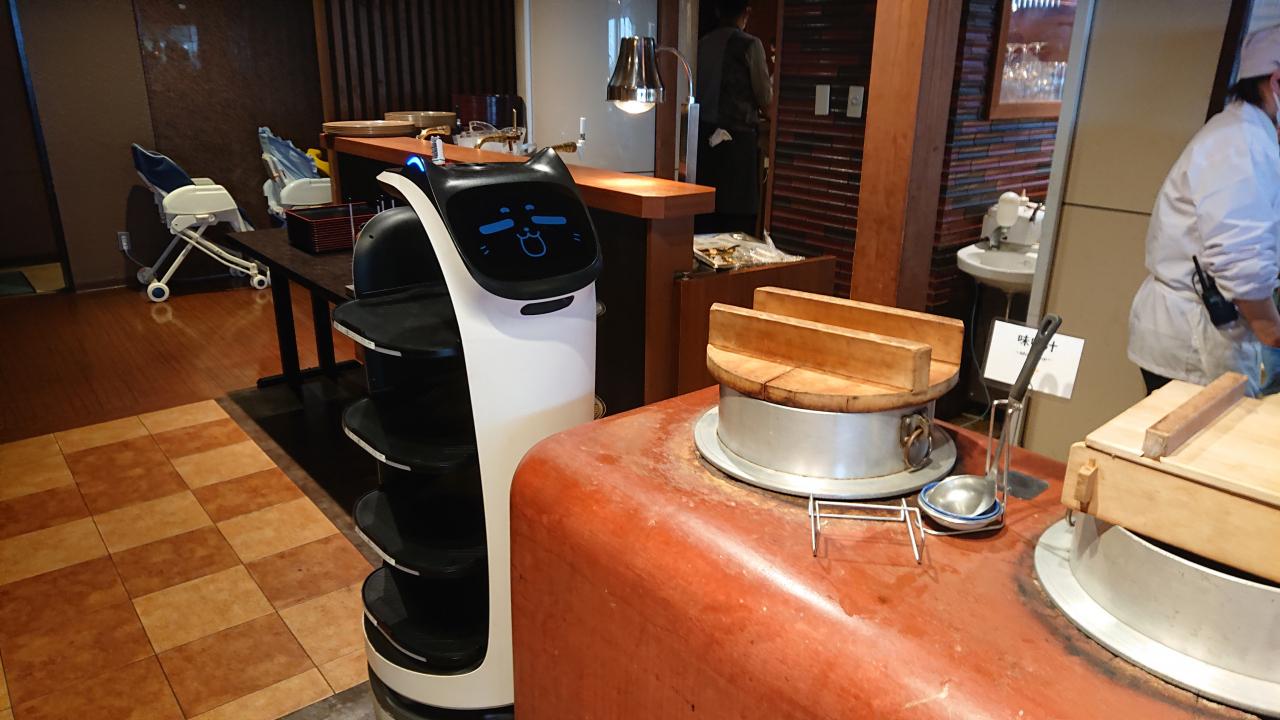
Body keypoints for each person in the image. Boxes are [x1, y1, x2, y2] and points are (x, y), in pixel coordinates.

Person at [1128, 25, 1280, 396]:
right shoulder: (1240, 141)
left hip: (1196, 332)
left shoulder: (1246, 134)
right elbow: (1243, 264)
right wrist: (1273, 333)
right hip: (1194, 340)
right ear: (1276, 81)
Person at [695, 0, 773, 234]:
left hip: (703, 142)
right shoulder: (750, 45)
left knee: (705, 219)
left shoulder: (701, 44)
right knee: (737, 224)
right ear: (746, 12)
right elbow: (765, 98)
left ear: (718, 10)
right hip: (738, 146)